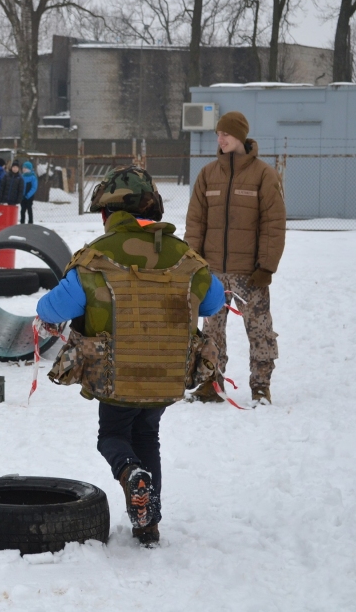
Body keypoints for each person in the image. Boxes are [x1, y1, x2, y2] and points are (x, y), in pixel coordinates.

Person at [36, 167, 225, 547]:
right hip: (167, 377)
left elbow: (51, 309)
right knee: (148, 435)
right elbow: (215, 301)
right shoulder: (186, 257)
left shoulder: (95, 258)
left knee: (113, 436)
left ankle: (130, 473)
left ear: (108, 214)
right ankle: (147, 526)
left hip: (115, 378)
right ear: (154, 210)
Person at [184, 111, 286, 405]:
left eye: (225, 134)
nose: (220, 139)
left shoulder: (263, 175)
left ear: (240, 137)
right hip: (212, 273)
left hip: (249, 273)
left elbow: (274, 224)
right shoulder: (208, 175)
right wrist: (194, 262)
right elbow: (196, 223)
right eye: (218, 134)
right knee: (212, 332)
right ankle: (210, 383)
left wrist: (266, 266)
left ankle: (261, 386)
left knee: (260, 331)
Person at [20, 160, 38, 224]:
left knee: (29, 209)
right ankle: (22, 222)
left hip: (29, 197)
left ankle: (30, 222)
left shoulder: (33, 177)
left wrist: (28, 195)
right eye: (23, 168)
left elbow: (34, 187)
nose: (24, 169)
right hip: (22, 196)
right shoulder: (22, 176)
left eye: (25, 168)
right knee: (22, 210)